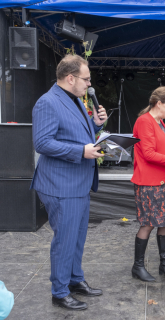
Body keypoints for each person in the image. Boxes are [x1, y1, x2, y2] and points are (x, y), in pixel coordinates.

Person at [31, 54, 107, 310]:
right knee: (65, 239)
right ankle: (60, 291)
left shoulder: (74, 100)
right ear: (70, 77)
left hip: (78, 183)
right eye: (85, 79)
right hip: (61, 185)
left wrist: (96, 126)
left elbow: (76, 135)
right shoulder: (48, 102)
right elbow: (42, 143)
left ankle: (75, 280)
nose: (89, 84)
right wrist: (80, 152)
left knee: (77, 237)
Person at [131, 86, 165, 282]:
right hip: (149, 183)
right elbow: (148, 154)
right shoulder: (144, 121)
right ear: (159, 103)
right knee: (148, 224)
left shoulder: (160, 123)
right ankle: (138, 267)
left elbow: (162, 152)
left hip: (163, 181)